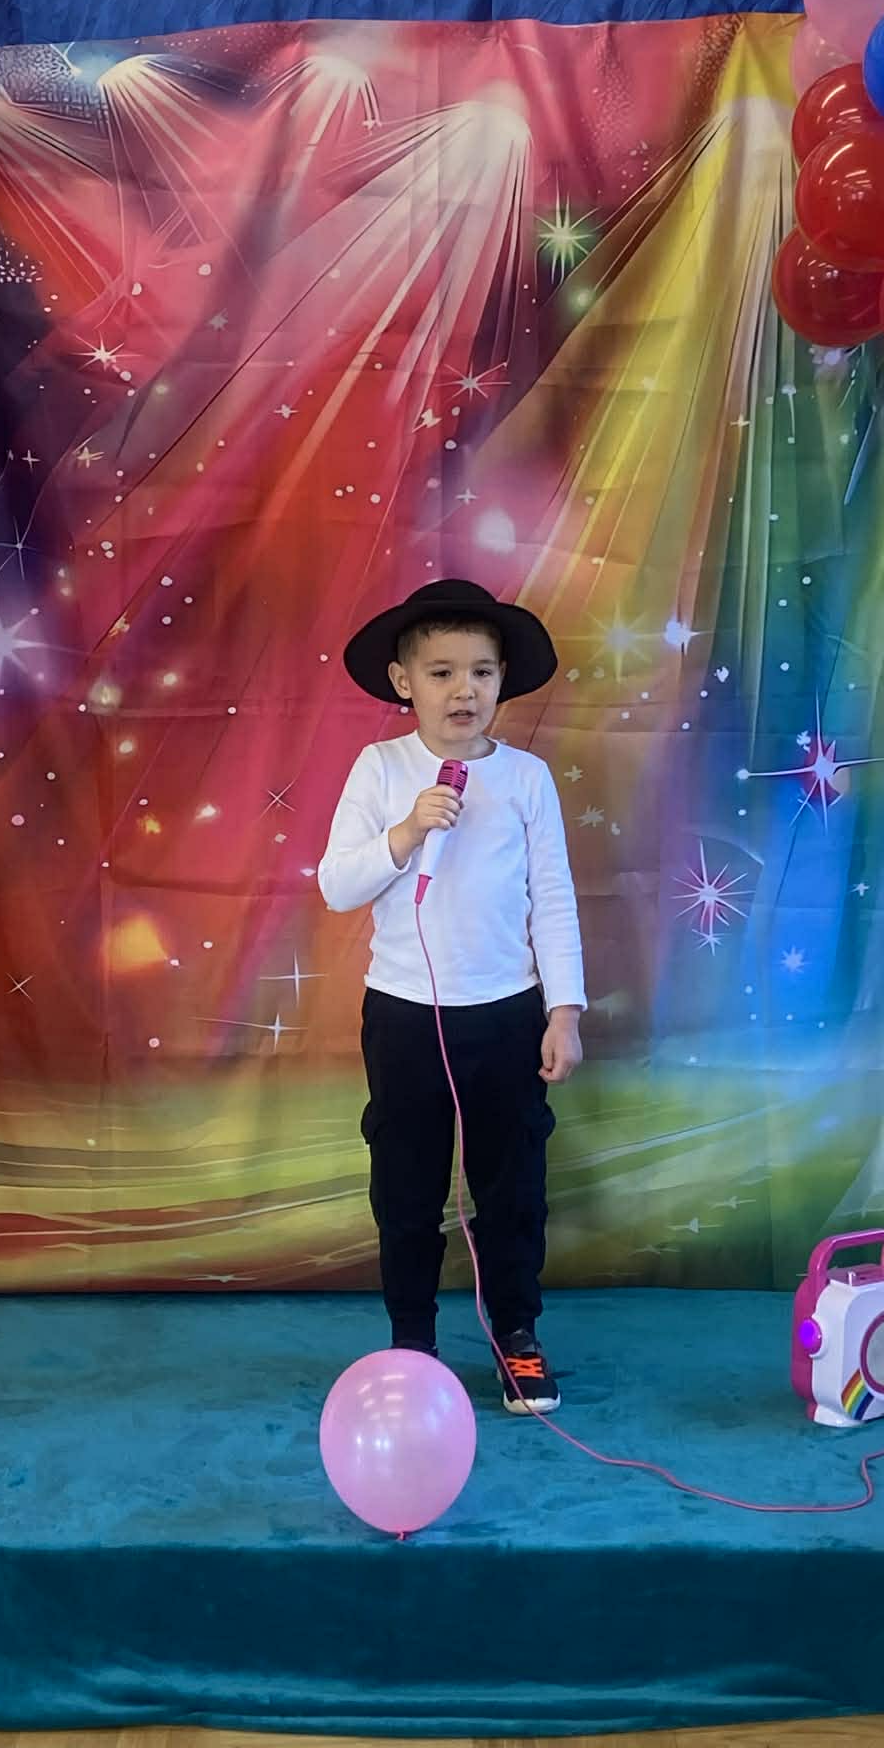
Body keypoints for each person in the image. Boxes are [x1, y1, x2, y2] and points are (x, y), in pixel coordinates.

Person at [318, 579, 586, 1414]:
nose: (463, 690)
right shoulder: (379, 769)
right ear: (404, 682)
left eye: (481, 672)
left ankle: (517, 1337)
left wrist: (564, 1011)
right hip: (403, 1014)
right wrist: (405, 832)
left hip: (507, 1013)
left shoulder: (527, 779)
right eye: (441, 673)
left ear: (503, 681)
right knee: (406, 1183)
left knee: (513, 1185)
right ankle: (412, 1344)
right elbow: (336, 885)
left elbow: (553, 898)